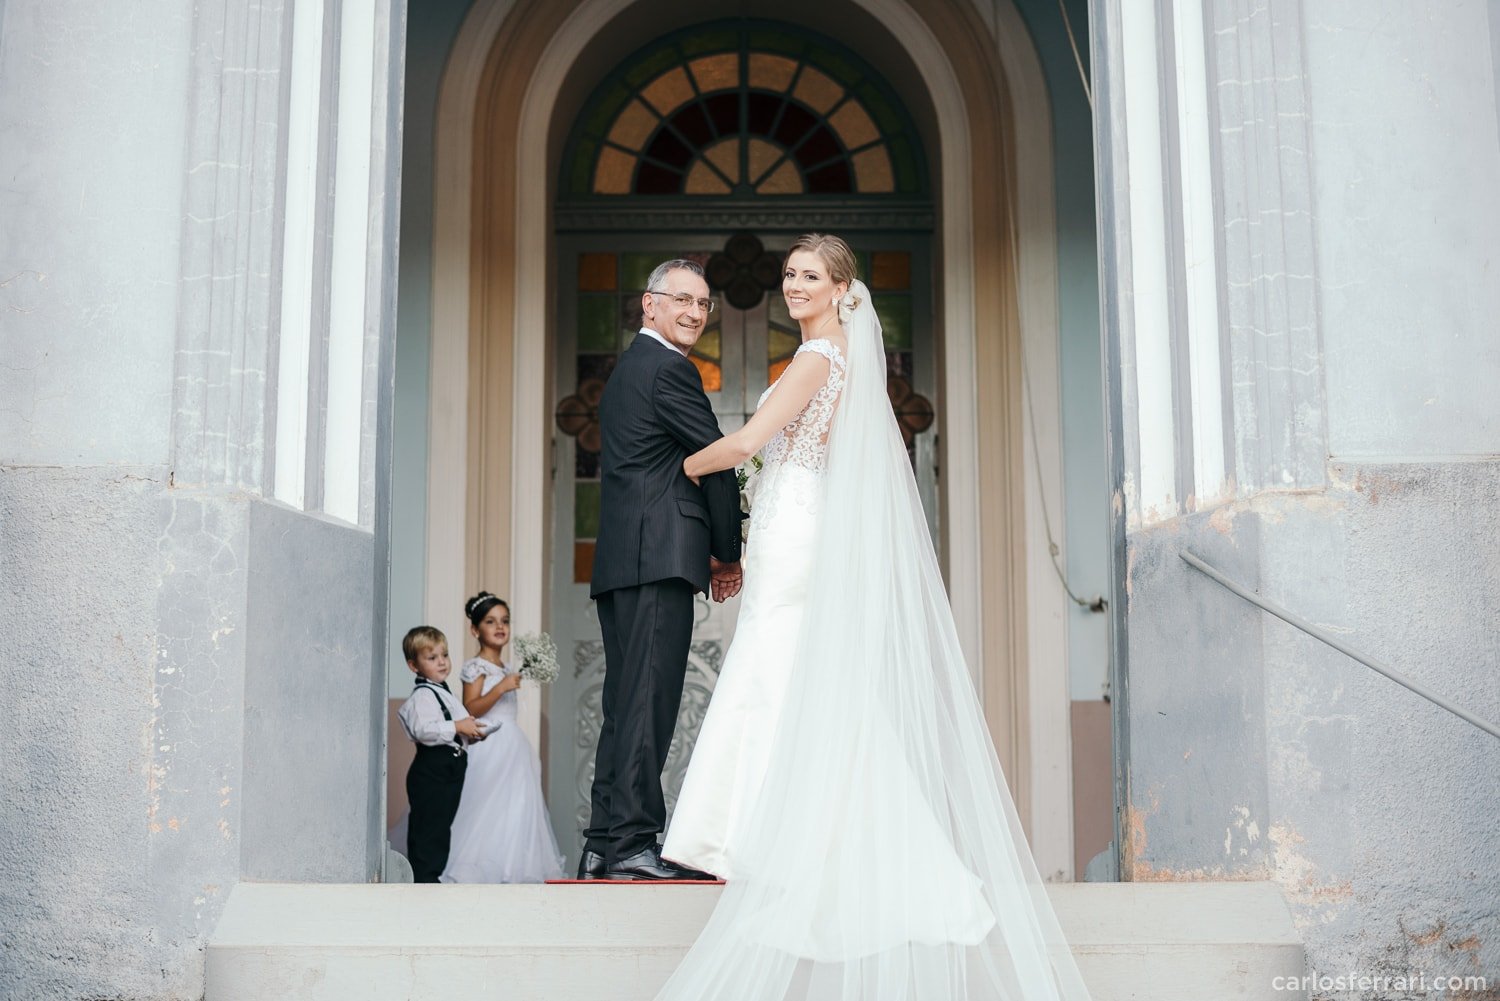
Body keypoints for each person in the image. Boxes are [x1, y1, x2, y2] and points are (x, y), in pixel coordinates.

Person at [654, 235, 1094, 1000]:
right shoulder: (845, 360)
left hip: (795, 527)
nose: (794, 285)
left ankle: (762, 833)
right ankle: (791, 832)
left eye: (809, 276)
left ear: (840, 290)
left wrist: (670, 470)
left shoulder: (816, 359)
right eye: (789, 274)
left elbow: (750, 441)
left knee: (775, 670)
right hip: (800, 520)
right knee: (801, 679)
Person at [581, 258, 745, 882]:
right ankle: (632, 843)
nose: (694, 313)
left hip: (624, 558)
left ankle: (602, 843)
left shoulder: (629, 368)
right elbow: (717, 461)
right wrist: (727, 553)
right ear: (649, 304)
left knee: (625, 704)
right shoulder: (670, 369)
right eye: (682, 299)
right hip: (659, 558)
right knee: (648, 703)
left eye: (703, 304)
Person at [441, 592, 565, 883]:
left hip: (514, 747)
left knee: (516, 806)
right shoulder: (476, 667)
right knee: (485, 804)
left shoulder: (508, 668)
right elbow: (470, 708)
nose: (500, 626)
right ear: (475, 630)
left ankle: (511, 866)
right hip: (488, 744)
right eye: (490, 621)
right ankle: (476, 866)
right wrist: (501, 688)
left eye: (505, 621)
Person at [396, 626, 484, 884]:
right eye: (432, 658)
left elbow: (450, 729)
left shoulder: (443, 692)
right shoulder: (423, 695)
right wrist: (457, 726)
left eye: (444, 655)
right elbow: (423, 730)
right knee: (429, 826)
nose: (442, 662)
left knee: (441, 825)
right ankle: (425, 879)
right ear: (414, 666)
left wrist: (469, 734)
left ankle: (431, 876)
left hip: (450, 766)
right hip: (433, 767)